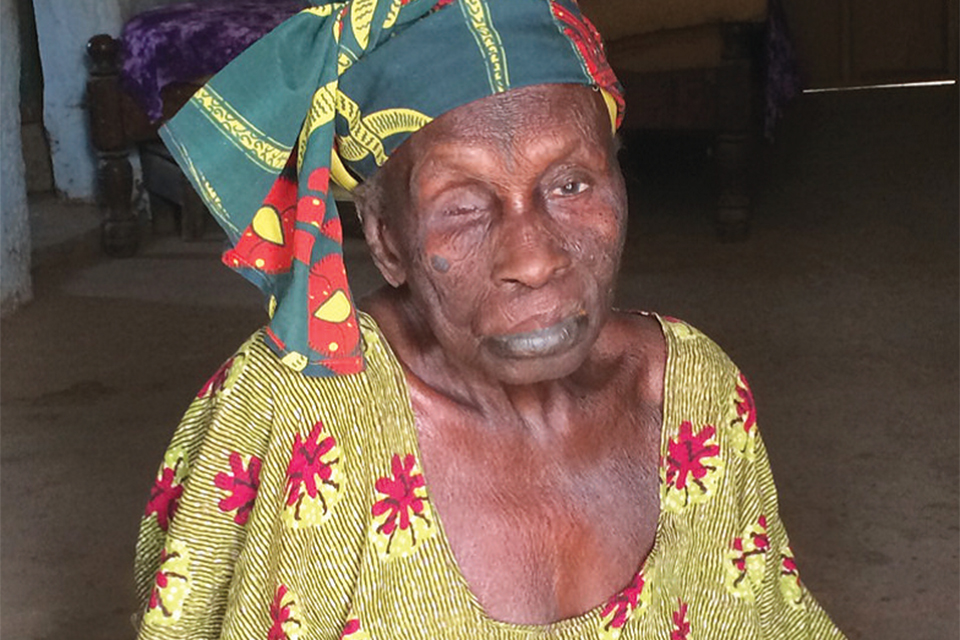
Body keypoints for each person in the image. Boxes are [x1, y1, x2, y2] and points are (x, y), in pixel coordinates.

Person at [135, 1, 845, 638]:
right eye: (464, 206)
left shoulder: (692, 394)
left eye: (570, 185)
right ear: (386, 240)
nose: (533, 259)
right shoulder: (298, 410)